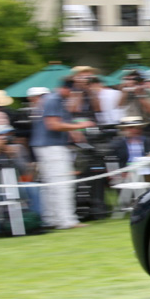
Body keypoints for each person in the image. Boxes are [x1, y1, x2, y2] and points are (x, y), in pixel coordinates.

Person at [31, 77, 93, 229]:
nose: (74, 95)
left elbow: (61, 123)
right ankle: (67, 220)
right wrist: (79, 126)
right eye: (74, 91)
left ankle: (52, 219)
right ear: (67, 89)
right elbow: (53, 125)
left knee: (51, 185)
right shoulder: (54, 100)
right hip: (52, 147)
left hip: (47, 146)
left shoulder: (55, 100)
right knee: (62, 184)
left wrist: (74, 132)